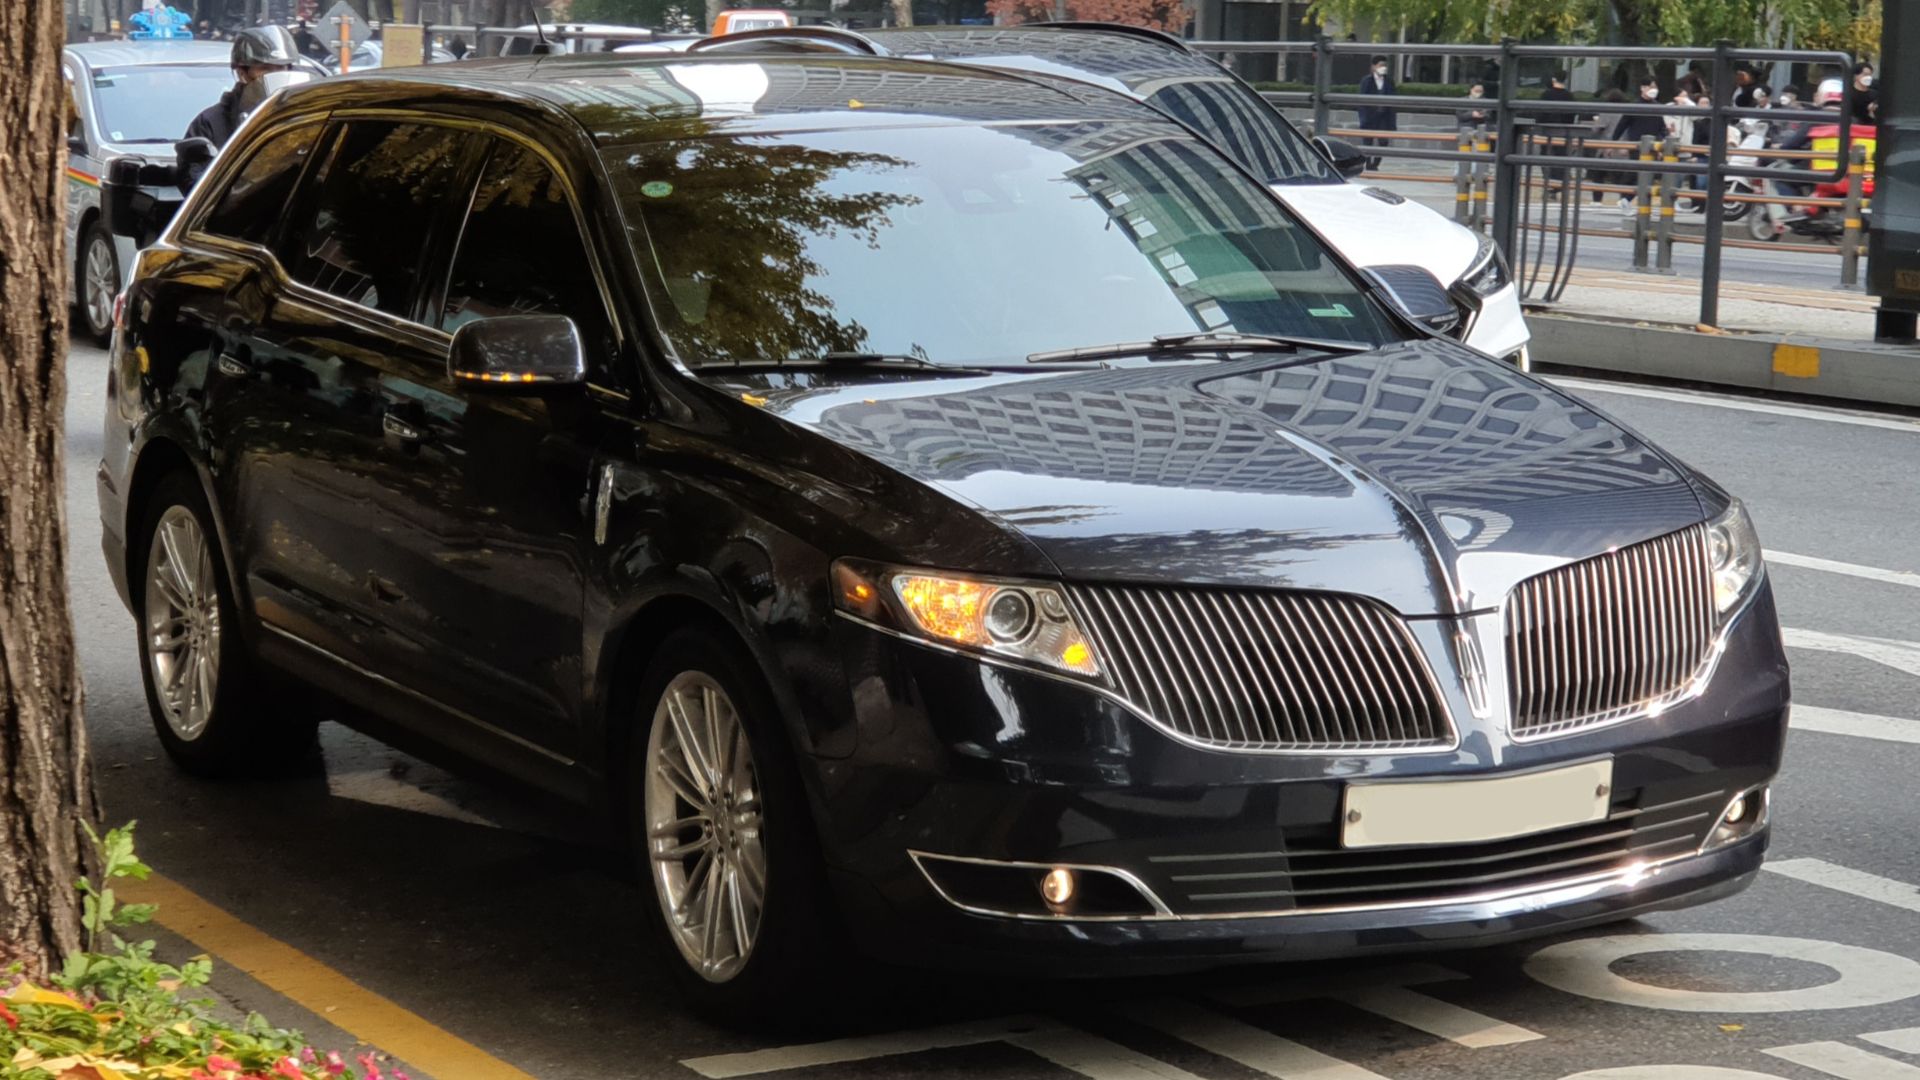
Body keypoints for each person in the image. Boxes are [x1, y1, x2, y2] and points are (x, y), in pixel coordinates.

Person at [186, 25, 301, 148]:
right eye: (265, 69)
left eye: (281, 68)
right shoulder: (209, 123)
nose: (275, 75)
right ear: (242, 73)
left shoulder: (306, 115)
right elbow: (198, 165)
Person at [1610, 77, 1668, 218]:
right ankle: (1625, 199)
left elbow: (1661, 128)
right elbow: (1622, 125)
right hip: (1637, 145)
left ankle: (1629, 200)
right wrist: (1613, 143)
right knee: (1636, 173)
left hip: (1654, 145)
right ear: (1642, 88)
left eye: (1655, 86)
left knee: (1649, 176)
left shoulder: (1657, 106)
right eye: (1650, 86)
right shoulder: (1635, 106)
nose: (1653, 89)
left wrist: (1662, 143)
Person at [1357, 56, 1397, 171]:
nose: (1383, 68)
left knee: (1384, 141)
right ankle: (1369, 164)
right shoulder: (1366, 81)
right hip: (1370, 116)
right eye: (1380, 65)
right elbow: (1362, 100)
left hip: (1384, 116)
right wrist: (1363, 117)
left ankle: (1376, 163)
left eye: (1385, 65)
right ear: (1373, 67)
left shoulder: (1389, 81)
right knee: (1367, 141)